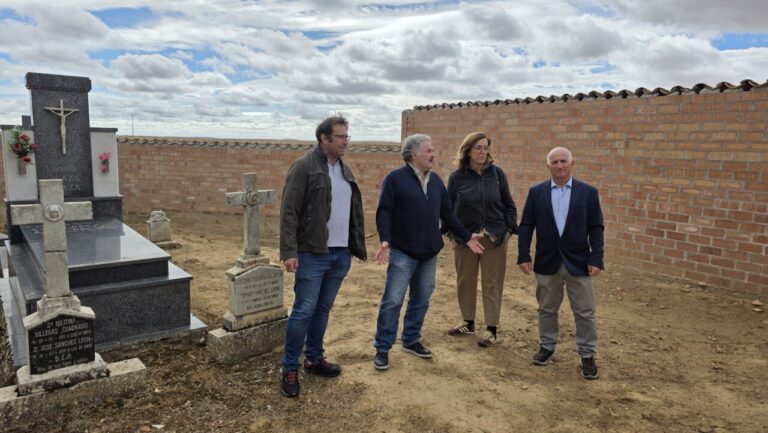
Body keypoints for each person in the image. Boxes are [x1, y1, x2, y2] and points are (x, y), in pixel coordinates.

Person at [373, 133, 484, 371]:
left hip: (429, 253)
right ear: (414, 155)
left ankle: (411, 340)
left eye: (433, 150)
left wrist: (466, 237)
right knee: (392, 301)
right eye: (429, 151)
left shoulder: (436, 182)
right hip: (403, 252)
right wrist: (385, 240)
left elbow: (448, 213)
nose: (434, 154)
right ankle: (382, 348)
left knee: (421, 299)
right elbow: (385, 211)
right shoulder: (395, 179)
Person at [278, 115, 367, 397]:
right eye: (340, 137)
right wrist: (289, 251)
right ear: (323, 138)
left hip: (340, 253)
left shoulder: (344, 169)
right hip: (312, 253)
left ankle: (314, 359)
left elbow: (351, 211)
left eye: (347, 136)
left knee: (323, 309)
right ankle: (289, 367)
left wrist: (353, 246)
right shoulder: (304, 167)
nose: (345, 142)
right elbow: (289, 211)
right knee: (304, 310)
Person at [517, 146, 604, 379]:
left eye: (563, 161)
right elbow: (526, 225)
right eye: (554, 162)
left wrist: (597, 257)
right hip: (547, 261)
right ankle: (547, 346)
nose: (559, 165)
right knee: (547, 308)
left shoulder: (588, 193)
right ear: (548, 166)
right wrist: (523, 254)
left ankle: (587, 354)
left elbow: (596, 227)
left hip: (579, 262)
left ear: (572, 163)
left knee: (585, 311)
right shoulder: (537, 192)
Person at [445, 132, 518, 347]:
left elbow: (509, 205)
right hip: (465, 238)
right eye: (478, 147)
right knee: (465, 280)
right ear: (468, 150)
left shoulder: (497, 174)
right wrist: (453, 234)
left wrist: (509, 230)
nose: (483, 152)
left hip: (494, 238)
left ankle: (491, 329)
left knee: (492, 282)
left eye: (486, 148)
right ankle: (468, 322)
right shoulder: (457, 177)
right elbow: (447, 209)